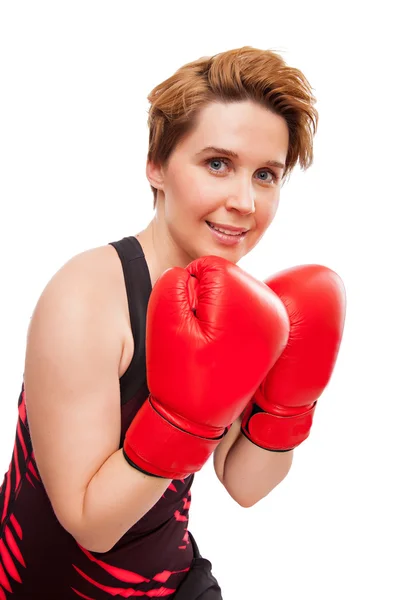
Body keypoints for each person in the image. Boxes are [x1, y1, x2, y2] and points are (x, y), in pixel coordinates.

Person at [0, 46, 345, 598]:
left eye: (265, 175)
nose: (244, 201)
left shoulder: (233, 307)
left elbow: (246, 483)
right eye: (217, 164)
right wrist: (183, 419)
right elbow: (90, 523)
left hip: (174, 580)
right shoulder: (88, 297)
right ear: (156, 166)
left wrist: (290, 406)